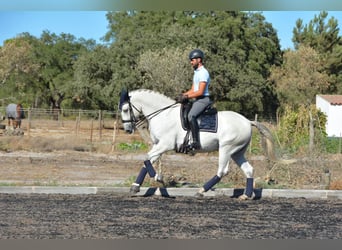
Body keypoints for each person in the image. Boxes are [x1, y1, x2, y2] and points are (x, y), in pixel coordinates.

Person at [178, 49, 211, 150]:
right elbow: (193, 89)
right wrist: (182, 95)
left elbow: (200, 92)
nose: (191, 62)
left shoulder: (203, 73)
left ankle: (196, 142)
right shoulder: (197, 72)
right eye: (190, 60)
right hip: (197, 99)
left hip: (203, 99)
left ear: (199, 60)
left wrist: (187, 97)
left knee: (191, 115)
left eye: (192, 60)